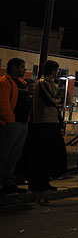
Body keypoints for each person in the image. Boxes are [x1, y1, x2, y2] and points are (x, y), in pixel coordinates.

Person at [29, 60, 66, 193]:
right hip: (43, 121)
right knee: (41, 153)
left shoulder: (54, 85)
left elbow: (59, 100)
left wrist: (57, 102)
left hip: (53, 121)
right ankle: (37, 182)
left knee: (50, 153)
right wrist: (57, 102)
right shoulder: (42, 83)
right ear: (53, 70)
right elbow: (50, 100)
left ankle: (45, 180)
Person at [0, 58, 30, 195]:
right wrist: (10, 120)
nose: (24, 70)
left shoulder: (22, 83)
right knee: (4, 153)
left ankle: (8, 182)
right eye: (22, 67)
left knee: (14, 155)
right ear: (14, 67)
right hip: (11, 124)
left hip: (21, 123)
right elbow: (3, 103)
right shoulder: (5, 82)